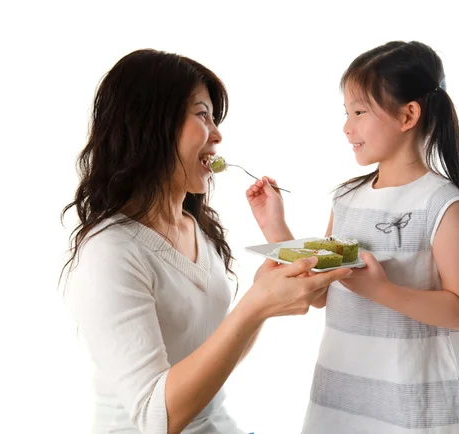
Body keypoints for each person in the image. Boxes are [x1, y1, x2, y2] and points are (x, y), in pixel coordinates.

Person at [60, 48, 351, 434]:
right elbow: (155, 418)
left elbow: (211, 356)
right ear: (152, 124)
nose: (217, 134)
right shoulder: (110, 252)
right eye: (202, 115)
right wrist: (255, 304)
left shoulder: (195, 227)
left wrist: (263, 301)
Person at [246, 41, 459, 434]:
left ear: (408, 115)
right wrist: (274, 226)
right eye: (346, 113)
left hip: (411, 405)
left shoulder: (441, 203)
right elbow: (321, 292)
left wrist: (380, 291)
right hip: (341, 396)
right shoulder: (347, 198)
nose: (346, 127)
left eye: (359, 112)